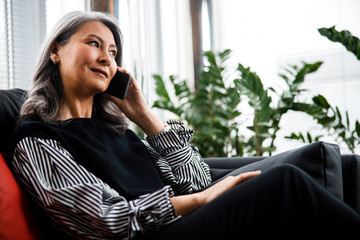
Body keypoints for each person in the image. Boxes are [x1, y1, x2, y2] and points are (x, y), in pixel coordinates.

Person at [10, 11, 360, 240]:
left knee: (349, 167)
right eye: (94, 44)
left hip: (182, 225)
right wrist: (199, 201)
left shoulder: (117, 132)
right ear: (56, 50)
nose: (107, 58)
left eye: (114, 52)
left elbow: (197, 180)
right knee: (287, 184)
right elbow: (106, 219)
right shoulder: (37, 137)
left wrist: (146, 118)